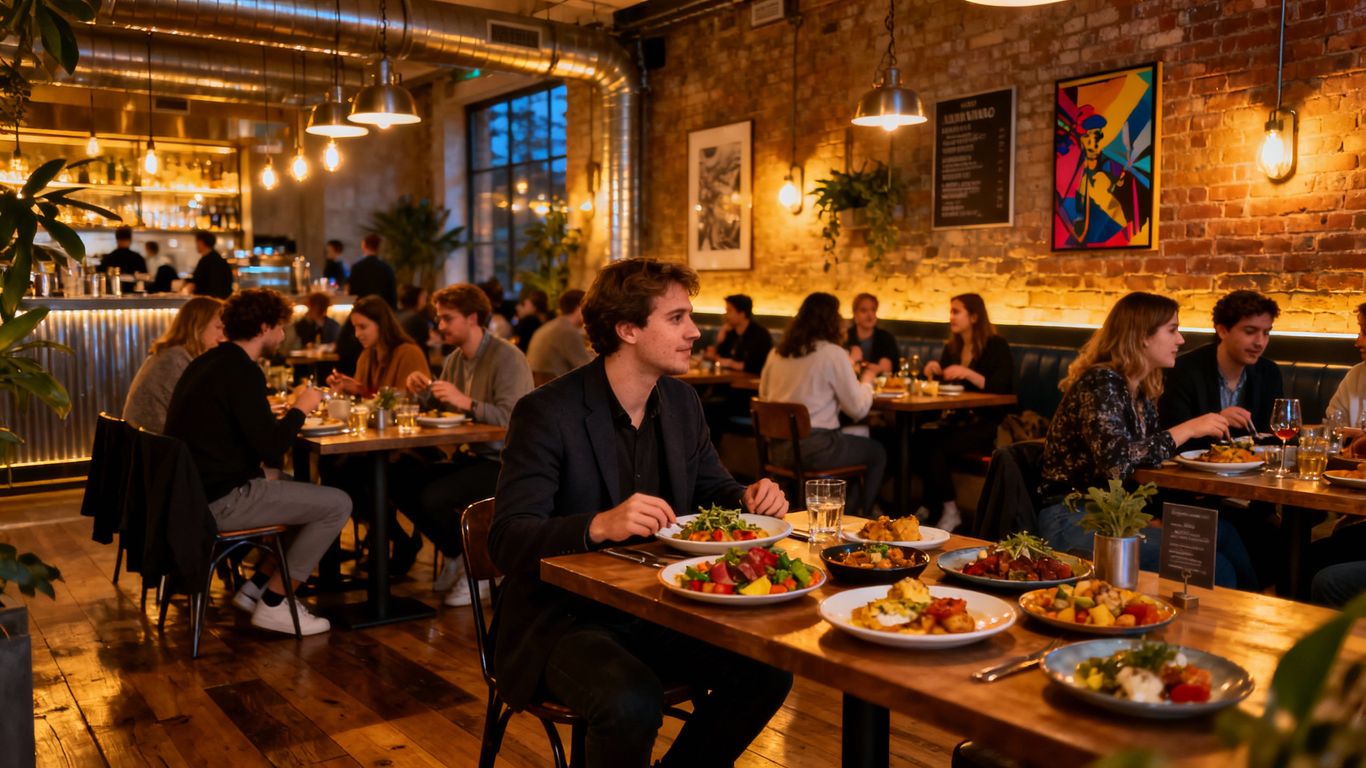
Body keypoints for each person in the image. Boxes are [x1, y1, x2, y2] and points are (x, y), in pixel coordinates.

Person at [490, 258, 792, 767]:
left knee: (767, 670)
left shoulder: (681, 403)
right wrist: (597, 525)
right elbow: (506, 540)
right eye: (676, 318)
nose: (695, 332)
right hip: (562, 618)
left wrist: (747, 497)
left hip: (657, 606)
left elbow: (712, 488)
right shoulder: (547, 412)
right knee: (630, 701)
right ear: (627, 329)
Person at [163, 288, 351, 635]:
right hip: (221, 500)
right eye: (281, 327)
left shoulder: (209, 362)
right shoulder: (241, 371)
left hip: (194, 495)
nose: (283, 334)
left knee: (302, 494)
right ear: (264, 327)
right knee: (338, 503)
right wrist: (301, 407)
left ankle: (256, 588)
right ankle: (277, 604)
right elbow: (272, 448)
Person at [1036, 292, 1255, 588]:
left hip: (1118, 514)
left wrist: (1151, 516)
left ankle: (1258, 620)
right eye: (1172, 330)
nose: (1180, 340)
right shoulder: (1101, 382)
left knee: (1223, 533)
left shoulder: (1139, 389)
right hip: (1073, 516)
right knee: (1207, 561)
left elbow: (1149, 459)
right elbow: (1116, 464)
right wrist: (1188, 429)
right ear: (1142, 336)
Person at [395, 284, 534, 606]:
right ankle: (459, 554)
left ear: (472, 318)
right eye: (439, 318)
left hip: (505, 462)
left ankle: (484, 567)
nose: (439, 326)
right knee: (398, 478)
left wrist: (466, 402)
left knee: (432, 497)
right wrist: (422, 391)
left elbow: (512, 418)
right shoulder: (456, 359)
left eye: (447, 318)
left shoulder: (507, 357)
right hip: (469, 456)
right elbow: (443, 409)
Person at [759, 292, 886, 515]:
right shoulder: (833, 354)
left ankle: (849, 511)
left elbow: (764, 397)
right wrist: (867, 382)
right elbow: (858, 409)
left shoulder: (775, 353)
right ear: (831, 321)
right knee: (877, 452)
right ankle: (861, 517)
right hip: (817, 449)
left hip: (776, 450)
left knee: (857, 440)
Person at [914, 293, 1014, 531]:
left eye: (956, 311)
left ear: (975, 316)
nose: (951, 317)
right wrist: (931, 371)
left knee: (938, 447)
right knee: (918, 438)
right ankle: (930, 505)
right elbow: (947, 387)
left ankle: (950, 511)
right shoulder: (953, 347)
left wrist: (968, 373)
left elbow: (1003, 387)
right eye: (951, 311)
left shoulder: (996, 345)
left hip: (989, 422)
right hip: (958, 419)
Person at [1159, 290, 1283, 449]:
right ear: (1223, 331)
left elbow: (1274, 437)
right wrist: (1217, 420)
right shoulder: (1184, 371)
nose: (1260, 342)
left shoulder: (1269, 373)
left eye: (1266, 333)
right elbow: (1172, 439)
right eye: (1250, 332)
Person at [123, 297, 225, 433]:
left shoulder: (174, 354)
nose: (223, 336)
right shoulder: (176, 360)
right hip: (154, 447)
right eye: (218, 327)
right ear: (197, 326)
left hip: (144, 443)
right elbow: (202, 416)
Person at [326, 296, 428, 397]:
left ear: (381, 325)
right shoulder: (366, 356)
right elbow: (366, 404)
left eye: (363, 327)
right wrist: (355, 389)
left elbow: (409, 400)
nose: (357, 334)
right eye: (355, 328)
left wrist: (362, 391)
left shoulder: (409, 353)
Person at [526, 288, 594, 383]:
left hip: (540, 389)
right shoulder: (567, 331)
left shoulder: (549, 327)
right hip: (556, 391)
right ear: (579, 307)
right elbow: (586, 367)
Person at [704, 293, 772, 374]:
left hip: (748, 384)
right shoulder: (730, 332)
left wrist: (731, 364)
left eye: (729, 311)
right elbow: (720, 357)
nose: (726, 315)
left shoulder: (760, 334)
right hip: (727, 381)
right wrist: (719, 339)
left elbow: (760, 366)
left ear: (742, 314)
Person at [845, 292, 900, 375]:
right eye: (864, 310)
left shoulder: (885, 338)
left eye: (873, 310)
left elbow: (885, 370)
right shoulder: (844, 336)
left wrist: (859, 364)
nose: (870, 315)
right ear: (855, 314)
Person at [346, 234, 397, 308]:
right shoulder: (387, 268)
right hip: (382, 309)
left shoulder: (357, 267)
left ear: (364, 245)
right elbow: (392, 294)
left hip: (363, 309)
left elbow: (352, 292)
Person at [98, 226, 146, 293]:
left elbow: (101, 276)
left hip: (112, 296)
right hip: (134, 295)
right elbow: (144, 277)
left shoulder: (108, 258)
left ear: (117, 239)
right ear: (130, 240)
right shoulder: (137, 258)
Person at [188, 231, 233, 299]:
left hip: (208, 302)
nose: (196, 245)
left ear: (201, 242)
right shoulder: (218, 259)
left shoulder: (207, 261)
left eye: (196, 242)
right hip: (219, 300)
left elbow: (199, 281)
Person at [397, 285, 436, 355]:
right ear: (416, 298)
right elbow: (428, 340)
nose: (425, 301)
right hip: (416, 357)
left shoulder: (397, 315)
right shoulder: (416, 318)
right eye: (423, 297)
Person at [512, 288, 549, 354]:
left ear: (534, 307)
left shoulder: (530, 321)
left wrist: (522, 319)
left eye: (526, 305)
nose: (524, 307)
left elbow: (517, 340)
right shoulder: (547, 322)